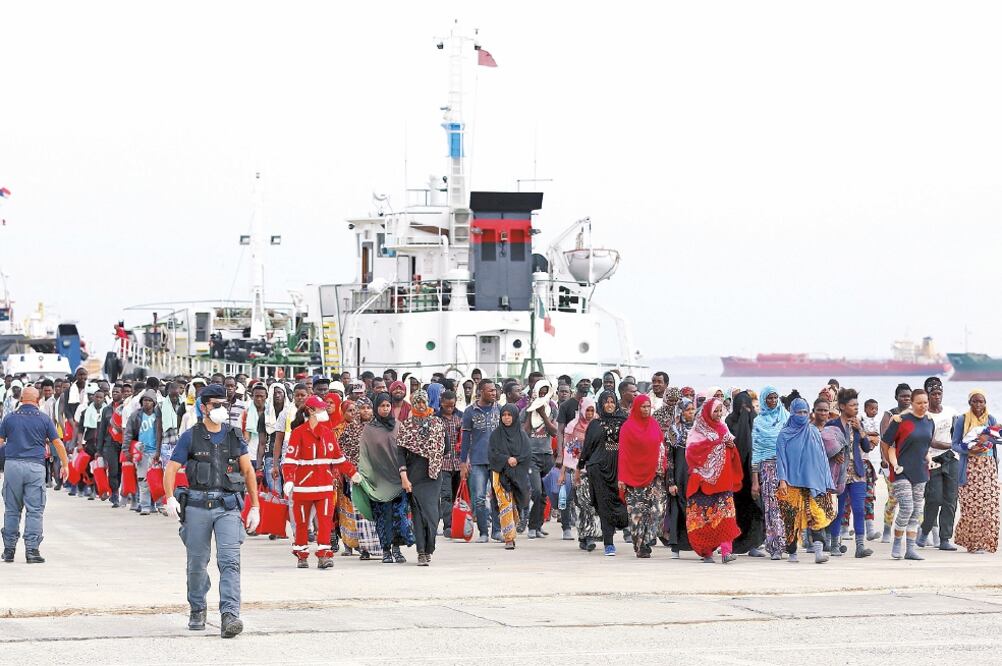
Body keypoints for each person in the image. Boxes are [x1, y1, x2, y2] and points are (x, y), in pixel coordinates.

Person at [163, 383, 260, 638]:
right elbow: (171, 469)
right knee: (197, 563)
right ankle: (197, 607)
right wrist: (170, 497)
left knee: (230, 562)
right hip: (196, 506)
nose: (221, 409)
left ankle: (230, 615)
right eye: (216, 405)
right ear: (204, 407)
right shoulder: (191, 436)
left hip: (227, 507)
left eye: (223, 405)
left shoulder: (234, 435)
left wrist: (255, 507)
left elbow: (248, 471)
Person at [282, 395, 355, 568]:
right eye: (321, 408)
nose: (326, 411)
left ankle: (324, 555)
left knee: (325, 522)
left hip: (324, 486)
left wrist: (353, 473)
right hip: (303, 487)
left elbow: (338, 458)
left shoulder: (328, 433)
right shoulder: (298, 433)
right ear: (311, 411)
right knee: (302, 523)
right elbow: (290, 460)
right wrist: (289, 480)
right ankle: (302, 555)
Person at [1, 387, 69, 564]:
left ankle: (8, 551)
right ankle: (32, 551)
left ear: (21, 399)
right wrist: (65, 464)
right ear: (38, 400)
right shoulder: (44, 419)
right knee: (35, 510)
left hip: (12, 466)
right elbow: (58, 443)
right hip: (35, 468)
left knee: (12, 509)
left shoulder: (9, 418)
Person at [775, 397, 836, 564]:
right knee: (791, 519)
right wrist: (782, 480)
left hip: (813, 482)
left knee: (816, 516)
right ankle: (793, 554)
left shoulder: (814, 431)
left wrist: (827, 481)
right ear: (792, 413)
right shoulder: (784, 434)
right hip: (791, 483)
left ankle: (818, 553)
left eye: (804, 412)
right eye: (798, 412)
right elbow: (780, 460)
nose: (802, 415)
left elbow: (822, 457)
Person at [357, 393, 415, 564]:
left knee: (399, 517)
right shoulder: (369, 430)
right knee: (383, 517)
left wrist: (407, 475)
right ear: (376, 407)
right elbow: (365, 455)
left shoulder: (398, 426)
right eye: (381, 406)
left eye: (388, 405)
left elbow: (406, 452)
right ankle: (385, 550)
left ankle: (396, 549)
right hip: (378, 482)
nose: (385, 408)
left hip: (397, 480)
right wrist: (365, 477)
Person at [684, 398, 743, 564]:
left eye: (720, 411)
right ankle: (707, 552)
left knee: (726, 516)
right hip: (701, 483)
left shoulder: (724, 429)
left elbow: (730, 455)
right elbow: (691, 454)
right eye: (715, 411)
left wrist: (730, 446)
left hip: (722, 482)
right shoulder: (697, 431)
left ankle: (726, 552)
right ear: (707, 412)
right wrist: (717, 444)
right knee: (704, 519)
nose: (718, 415)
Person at [882, 389, 935, 561]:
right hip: (901, 471)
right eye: (919, 403)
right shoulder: (900, 420)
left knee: (916, 510)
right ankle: (897, 543)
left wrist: (930, 459)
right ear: (912, 403)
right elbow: (886, 444)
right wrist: (892, 464)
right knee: (906, 507)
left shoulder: (929, 421)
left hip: (920, 471)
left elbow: (925, 446)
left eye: (925, 402)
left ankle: (910, 549)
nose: (923, 406)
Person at [576, 390, 629, 556]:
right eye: (606, 401)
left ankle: (621, 528)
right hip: (598, 469)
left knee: (622, 505)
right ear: (601, 404)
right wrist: (579, 467)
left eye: (612, 401)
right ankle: (609, 544)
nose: (609, 404)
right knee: (604, 506)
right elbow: (587, 449)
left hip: (619, 469)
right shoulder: (595, 424)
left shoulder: (624, 422)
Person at [397, 390, 446, 565]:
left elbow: (444, 448)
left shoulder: (437, 423)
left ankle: (429, 548)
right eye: (417, 402)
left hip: (433, 476)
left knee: (433, 515)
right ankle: (421, 552)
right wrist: (404, 476)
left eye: (423, 402)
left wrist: (434, 456)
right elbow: (400, 453)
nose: (420, 405)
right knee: (418, 514)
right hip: (415, 476)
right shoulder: (407, 425)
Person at [823, 388, 873, 559]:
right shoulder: (832, 425)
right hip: (839, 474)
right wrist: (835, 454)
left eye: (857, 405)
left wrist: (861, 430)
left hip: (858, 473)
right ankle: (834, 544)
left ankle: (860, 547)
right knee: (839, 509)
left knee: (859, 509)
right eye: (853, 405)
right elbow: (825, 447)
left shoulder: (858, 424)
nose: (856, 408)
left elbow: (866, 448)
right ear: (842, 406)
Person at [952, 389, 999, 554]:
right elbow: (955, 444)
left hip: (988, 467)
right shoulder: (962, 420)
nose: (978, 405)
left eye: (981, 401)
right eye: (975, 401)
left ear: (985, 403)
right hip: (970, 468)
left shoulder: (991, 419)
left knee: (989, 507)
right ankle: (972, 544)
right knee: (972, 507)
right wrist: (969, 451)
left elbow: (997, 439)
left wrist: (987, 442)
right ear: (969, 403)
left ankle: (986, 543)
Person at [617, 395, 663, 558]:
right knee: (637, 514)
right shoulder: (627, 427)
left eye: (648, 406)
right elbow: (622, 453)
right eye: (643, 406)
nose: (646, 409)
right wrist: (621, 477)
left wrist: (662, 467)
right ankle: (640, 545)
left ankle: (648, 538)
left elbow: (660, 446)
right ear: (636, 407)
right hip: (632, 477)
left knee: (657, 510)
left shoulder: (654, 425)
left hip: (653, 476)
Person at [917, 377, 958, 550]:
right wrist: (952, 444)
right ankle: (925, 530)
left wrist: (958, 447)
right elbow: (931, 442)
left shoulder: (950, 411)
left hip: (951, 459)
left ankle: (944, 539)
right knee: (934, 499)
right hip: (932, 460)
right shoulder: (924, 416)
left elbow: (957, 433)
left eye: (939, 393)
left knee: (950, 500)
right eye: (933, 394)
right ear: (927, 395)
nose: (937, 397)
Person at [460, 380, 500, 543]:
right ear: (481, 392)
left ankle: (497, 531)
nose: (493, 393)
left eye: (495, 391)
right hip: (477, 461)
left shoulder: (500, 410)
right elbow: (465, 439)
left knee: (497, 497)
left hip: (497, 460)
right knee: (479, 498)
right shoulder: (469, 412)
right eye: (490, 391)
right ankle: (483, 532)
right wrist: (463, 462)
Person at [749, 388, 787, 560]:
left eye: (775, 397)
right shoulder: (758, 422)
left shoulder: (785, 418)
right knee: (772, 510)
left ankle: (789, 545)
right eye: (769, 398)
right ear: (764, 400)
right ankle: (775, 546)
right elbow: (756, 452)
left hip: (787, 468)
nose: (772, 401)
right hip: (767, 471)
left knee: (788, 507)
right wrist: (755, 481)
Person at [488, 404, 532, 550]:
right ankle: (509, 538)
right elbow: (492, 454)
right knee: (504, 504)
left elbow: (526, 454)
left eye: (509, 415)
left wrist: (516, 460)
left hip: (517, 474)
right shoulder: (496, 434)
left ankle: (512, 529)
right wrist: (507, 459)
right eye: (504, 415)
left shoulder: (521, 435)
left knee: (515, 504)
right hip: (499, 474)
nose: (506, 418)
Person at [730, 389, 767, 557]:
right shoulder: (729, 422)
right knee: (735, 510)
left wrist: (756, 478)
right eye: (741, 406)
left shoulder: (756, 422)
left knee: (754, 509)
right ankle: (733, 544)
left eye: (748, 406)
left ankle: (753, 545)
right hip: (734, 474)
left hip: (753, 473)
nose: (745, 410)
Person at [521, 378, 557, 539]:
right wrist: (531, 411)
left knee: (544, 493)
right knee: (536, 490)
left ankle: (538, 525)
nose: (542, 396)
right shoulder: (526, 410)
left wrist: (543, 414)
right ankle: (531, 526)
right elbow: (525, 432)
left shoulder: (552, 409)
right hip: (532, 456)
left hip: (547, 455)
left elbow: (554, 431)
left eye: (545, 393)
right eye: (539, 393)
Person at [561, 396, 597, 549]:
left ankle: (584, 535)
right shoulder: (572, 427)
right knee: (584, 503)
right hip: (578, 470)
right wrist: (564, 472)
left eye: (591, 410)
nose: (589, 414)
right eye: (587, 410)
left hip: (594, 468)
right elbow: (568, 451)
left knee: (588, 504)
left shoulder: (597, 424)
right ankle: (589, 536)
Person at [878, 383, 912, 542]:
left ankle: (911, 532)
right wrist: (884, 459)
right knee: (894, 498)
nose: (906, 399)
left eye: (909, 396)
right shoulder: (889, 414)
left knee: (913, 499)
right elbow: (884, 439)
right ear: (896, 397)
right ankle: (886, 529)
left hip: (910, 463)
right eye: (903, 396)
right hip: (891, 462)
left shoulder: (915, 414)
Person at [663, 395, 694, 559]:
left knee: (693, 510)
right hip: (678, 476)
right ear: (680, 411)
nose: (691, 412)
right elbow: (669, 458)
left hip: (693, 476)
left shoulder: (697, 430)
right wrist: (671, 481)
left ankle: (696, 543)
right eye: (688, 410)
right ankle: (675, 547)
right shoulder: (673, 431)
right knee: (677, 511)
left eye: (692, 409)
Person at [124, 390, 162, 515]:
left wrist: (159, 450)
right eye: (145, 400)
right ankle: (145, 505)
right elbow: (128, 433)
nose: (147, 403)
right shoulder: (136, 415)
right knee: (143, 479)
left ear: (154, 403)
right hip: (141, 452)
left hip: (156, 451)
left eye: (150, 400)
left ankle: (159, 504)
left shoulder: (159, 415)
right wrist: (126, 450)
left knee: (157, 479)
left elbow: (162, 433)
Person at [437, 390, 463, 538]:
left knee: (457, 496)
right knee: (445, 495)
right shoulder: (436, 419)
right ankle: (448, 525)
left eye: (452, 405)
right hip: (443, 463)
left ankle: (458, 523)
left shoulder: (460, 417)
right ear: (441, 403)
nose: (449, 408)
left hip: (458, 463)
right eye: (447, 406)